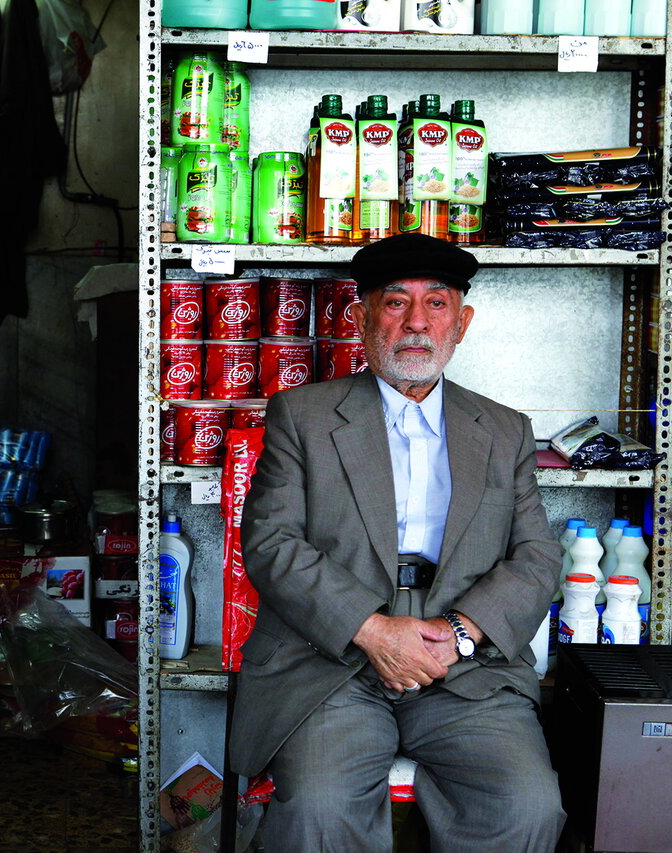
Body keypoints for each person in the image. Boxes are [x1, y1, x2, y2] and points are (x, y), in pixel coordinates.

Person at [229, 232, 566, 852]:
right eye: (395, 303)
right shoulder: (302, 415)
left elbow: (538, 556)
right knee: (321, 809)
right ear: (361, 318)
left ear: (461, 323)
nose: (417, 323)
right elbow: (271, 542)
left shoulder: (503, 428)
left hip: (462, 664)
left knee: (526, 806)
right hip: (332, 659)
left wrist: (462, 634)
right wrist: (374, 630)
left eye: (436, 304)